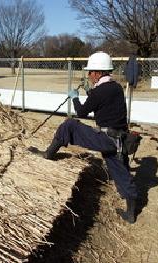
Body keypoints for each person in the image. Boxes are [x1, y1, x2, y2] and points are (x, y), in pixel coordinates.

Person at [29, 51, 138, 224]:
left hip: (104, 138)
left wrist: (75, 98)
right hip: (119, 140)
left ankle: (48, 153)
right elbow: (102, 102)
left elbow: (81, 112)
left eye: (90, 72)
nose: (89, 75)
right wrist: (89, 92)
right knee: (121, 172)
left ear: (98, 73)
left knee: (69, 124)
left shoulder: (99, 92)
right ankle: (131, 213)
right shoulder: (116, 88)